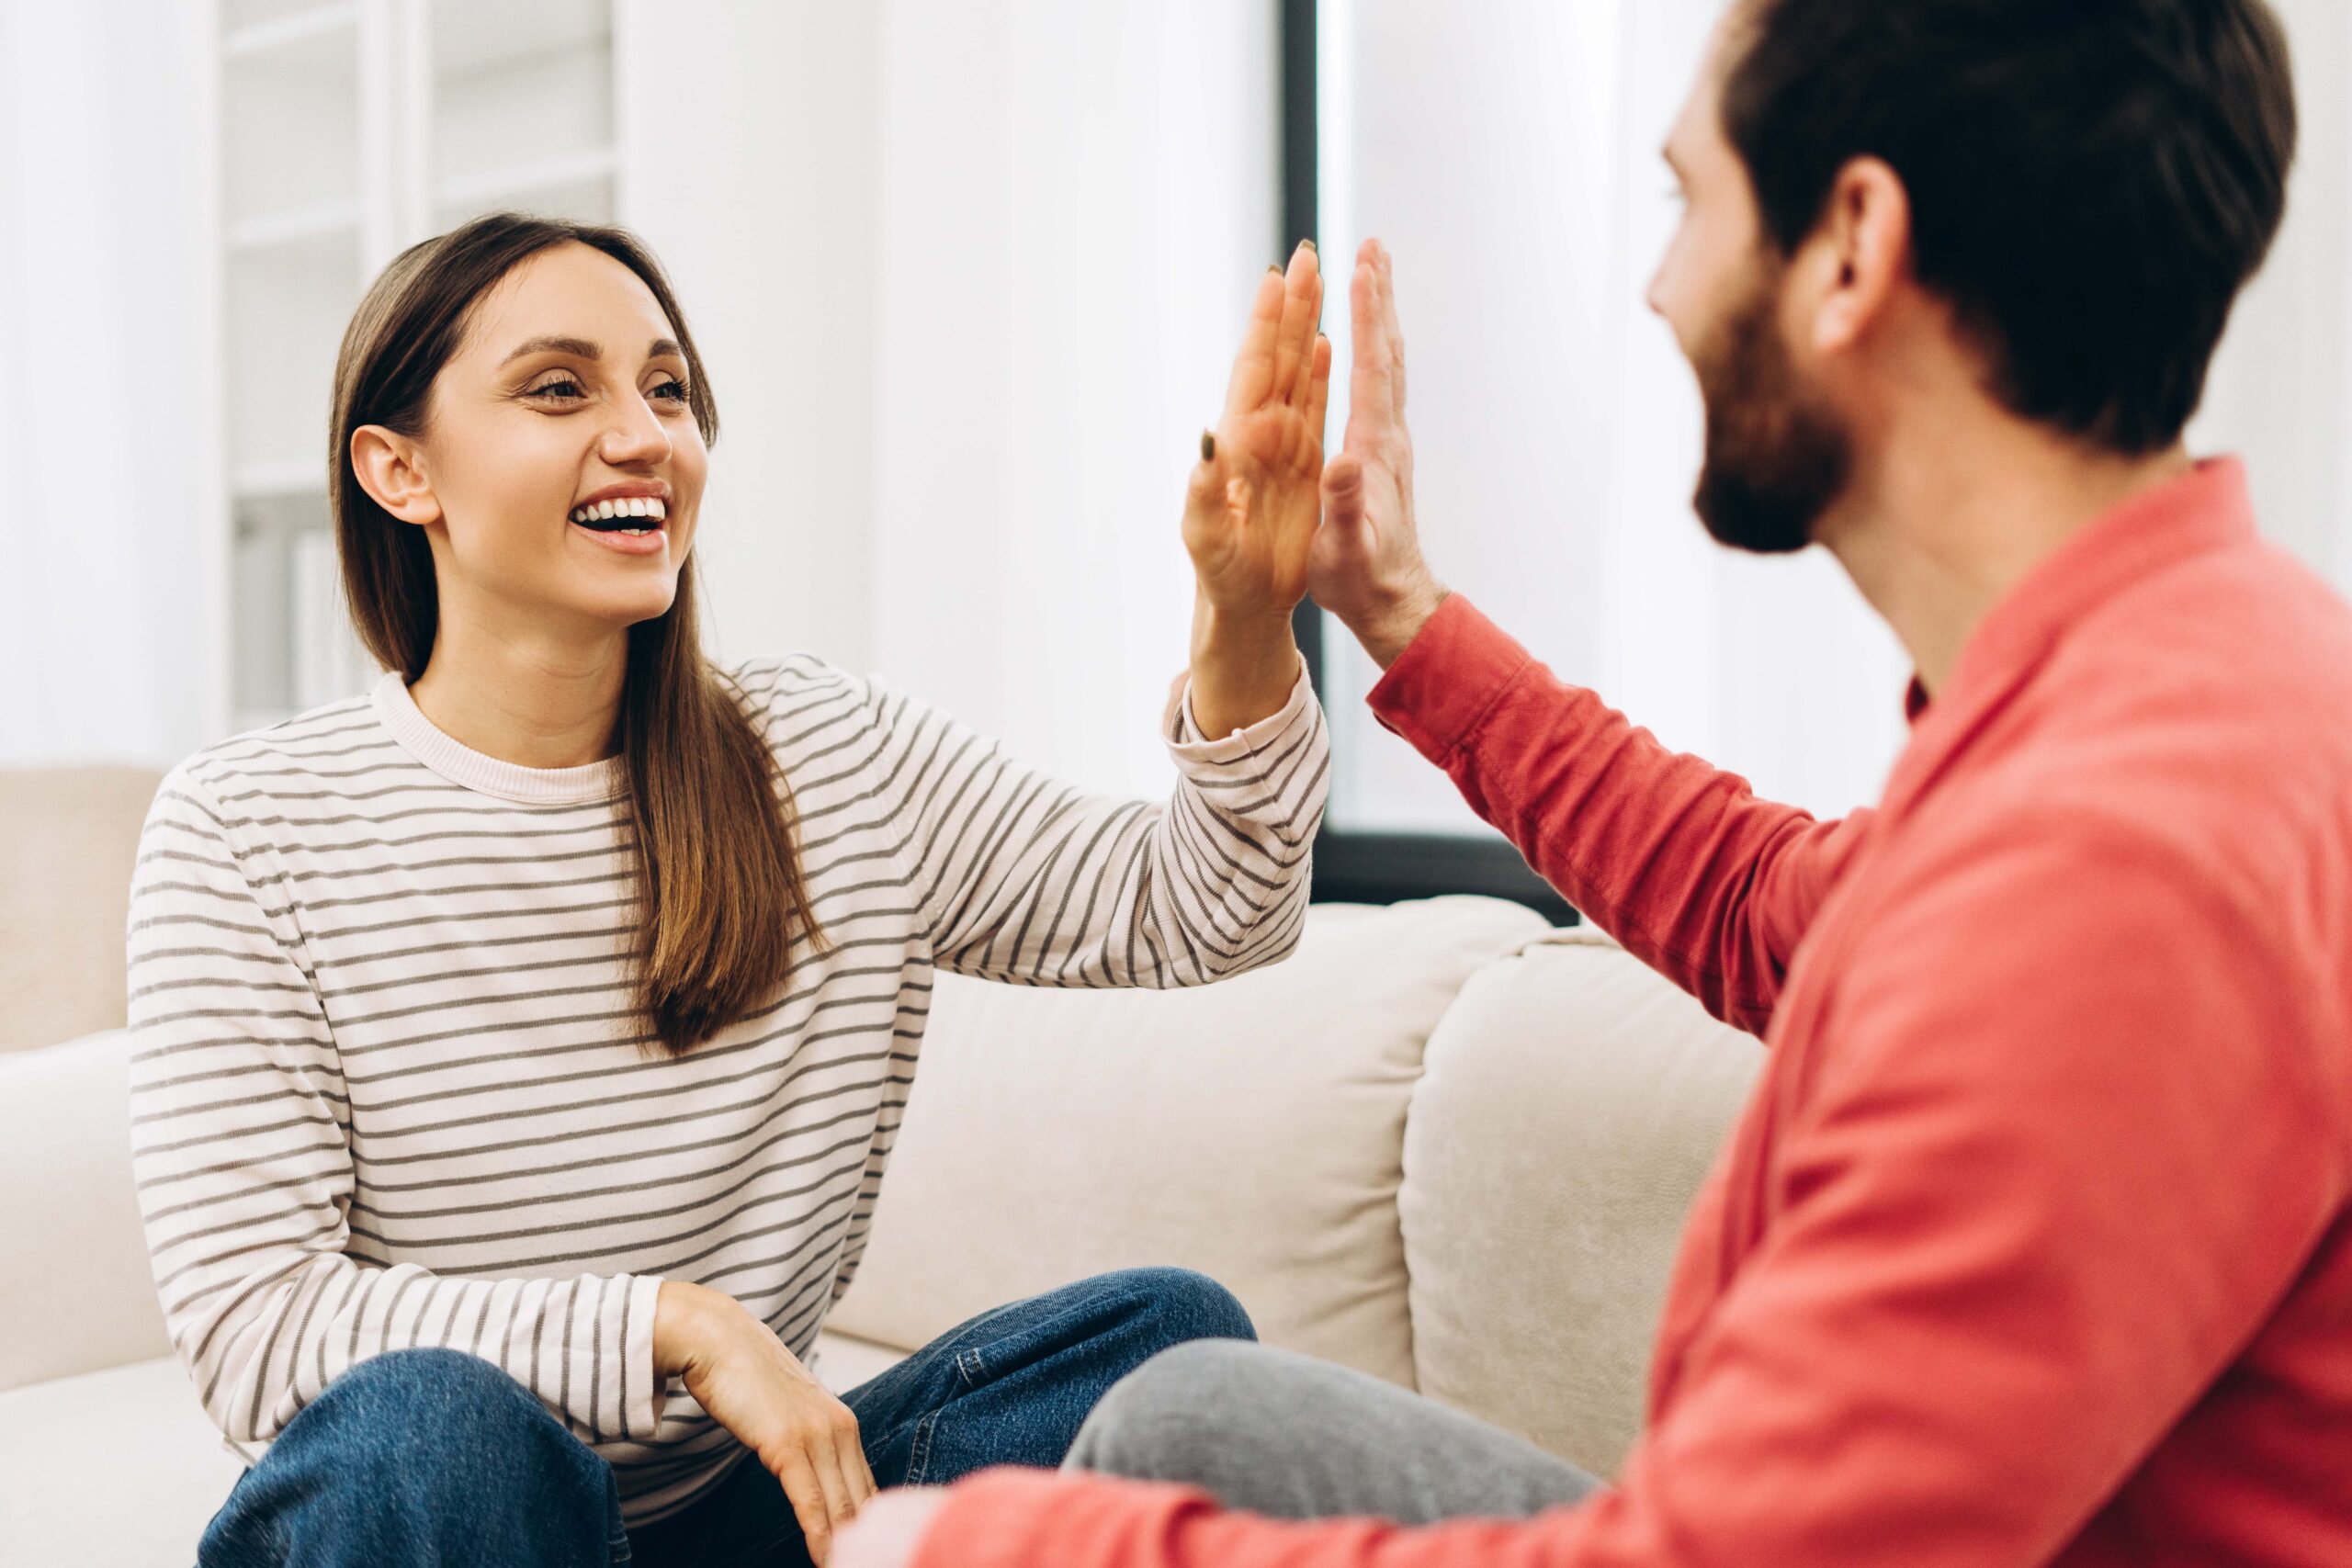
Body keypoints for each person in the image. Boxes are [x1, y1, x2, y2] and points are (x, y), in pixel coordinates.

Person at [835, 1, 2352, 1563]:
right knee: (1196, 1416)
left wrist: (970, 1550)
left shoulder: (2123, 860)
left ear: (1851, 245)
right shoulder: (2170, 679)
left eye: (1688, 200)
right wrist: (1402, 618)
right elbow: (1768, 906)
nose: (1659, 286)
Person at [127, 213, 1335, 1567]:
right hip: (442, 1516)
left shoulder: (829, 759)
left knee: (1169, 1353)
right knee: (435, 1429)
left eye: (669, 390)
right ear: (400, 469)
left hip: (740, 1529)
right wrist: (677, 1327)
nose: (644, 434)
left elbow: (1207, 908)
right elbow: (259, 1328)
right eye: (558, 387)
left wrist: (1243, 625)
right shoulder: (247, 830)